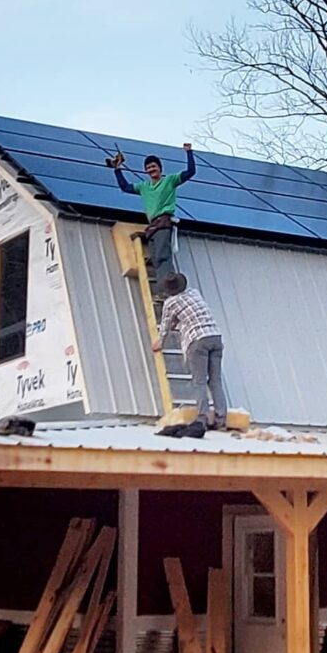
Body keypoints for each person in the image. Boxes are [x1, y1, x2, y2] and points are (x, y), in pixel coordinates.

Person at [153, 272, 226, 437]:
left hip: (197, 341)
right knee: (215, 381)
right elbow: (192, 314)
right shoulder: (194, 292)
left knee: (199, 382)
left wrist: (160, 343)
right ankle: (221, 419)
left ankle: (203, 419)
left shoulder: (171, 303)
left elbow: (165, 327)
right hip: (215, 336)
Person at [112, 144, 195, 286]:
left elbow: (190, 172)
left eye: (153, 167)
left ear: (160, 168)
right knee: (156, 260)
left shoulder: (169, 180)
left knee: (163, 256)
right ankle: (163, 285)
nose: (151, 170)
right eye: (148, 168)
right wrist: (117, 169)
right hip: (152, 226)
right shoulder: (144, 187)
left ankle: (170, 285)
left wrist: (189, 152)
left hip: (164, 222)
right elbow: (125, 187)